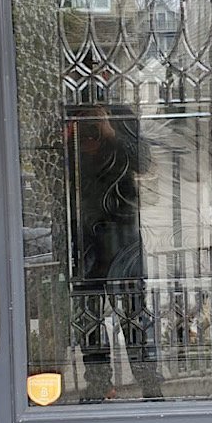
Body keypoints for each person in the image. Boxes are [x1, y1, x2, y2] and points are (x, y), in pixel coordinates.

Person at [68, 101, 165, 401]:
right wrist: (69, 139)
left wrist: (110, 131)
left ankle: (151, 387)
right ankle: (98, 386)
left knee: (135, 312)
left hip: (124, 232)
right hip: (84, 233)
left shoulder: (121, 115)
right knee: (88, 314)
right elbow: (59, 172)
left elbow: (144, 162)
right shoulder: (71, 114)